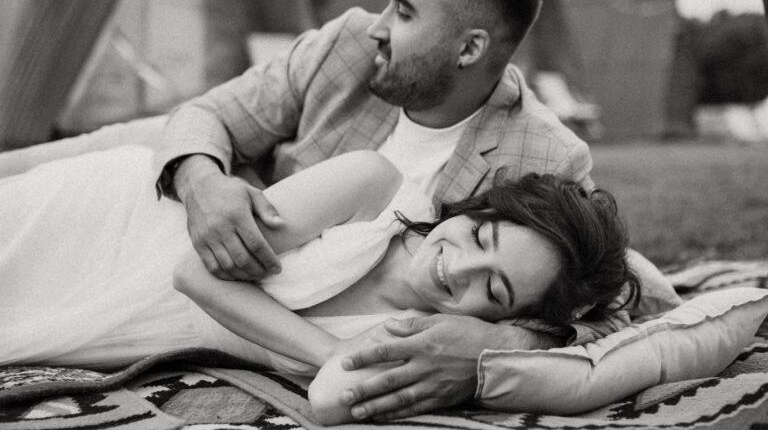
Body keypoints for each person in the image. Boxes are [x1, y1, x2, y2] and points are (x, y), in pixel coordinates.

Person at [153, 0, 612, 419]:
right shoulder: (347, 46)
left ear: (469, 50)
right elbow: (208, 114)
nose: (378, 26)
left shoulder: (546, 157)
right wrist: (200, 181)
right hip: (173, 205)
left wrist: (495, 343)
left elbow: (610, 307)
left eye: (404, 13)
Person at [0, 145, 639, 425]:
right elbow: (195, 270)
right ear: (477, 207)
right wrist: (330, 351)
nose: (458, 266)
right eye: (480, 235)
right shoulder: (372, 187)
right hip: (112, 224)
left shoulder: (422, 338)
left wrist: (523, 339)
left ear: (509, 318)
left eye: (493, 291)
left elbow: (333, 404)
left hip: (126, 320)